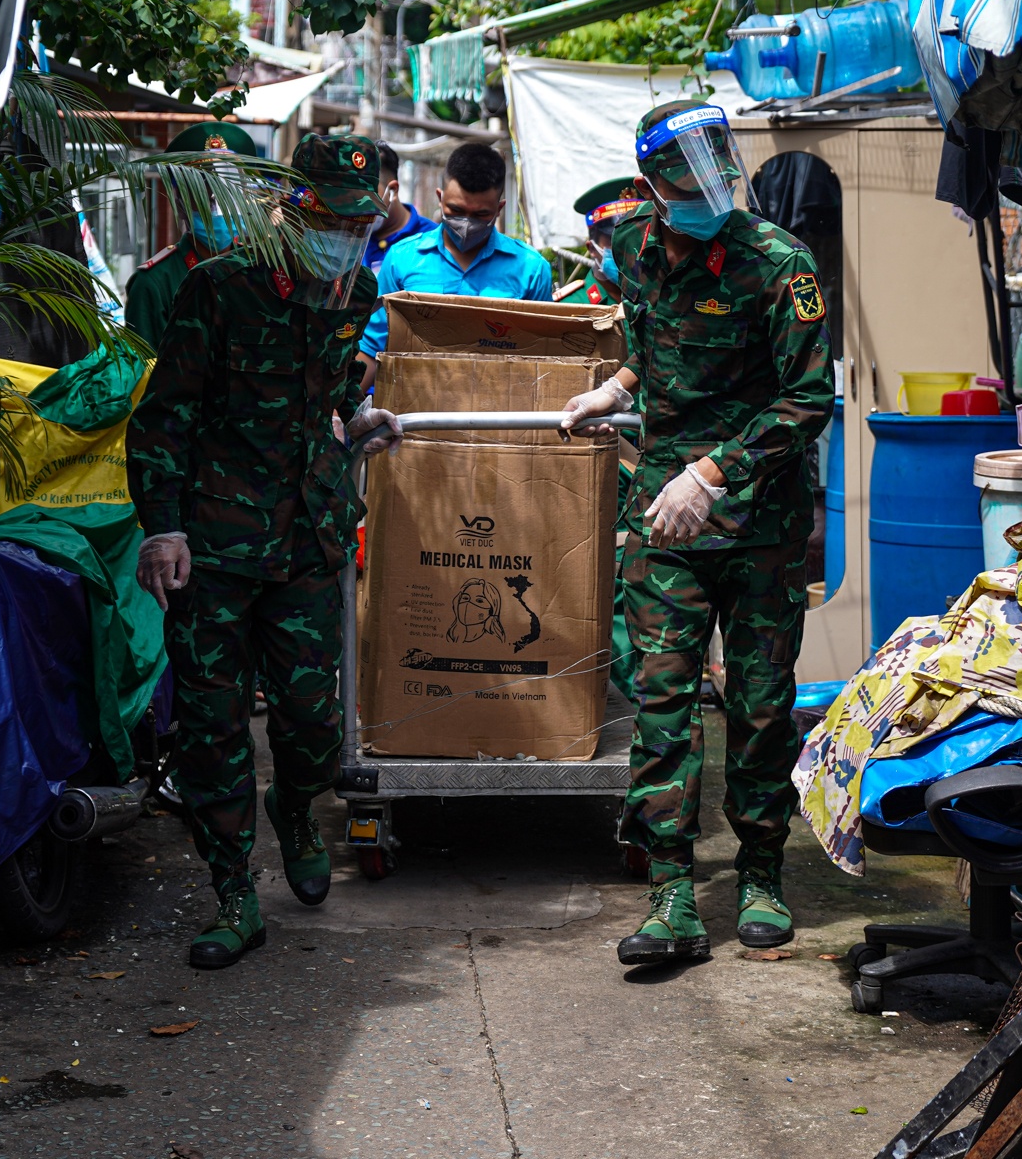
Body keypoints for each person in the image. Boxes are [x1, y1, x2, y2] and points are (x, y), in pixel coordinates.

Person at [558, 101, 833, 967]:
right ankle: (672, 891)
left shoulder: (778, 262)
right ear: (649, 187)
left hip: (758, 520)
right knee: (663, 701)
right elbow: (652, 341)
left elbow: (807, 401)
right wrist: (615, 387)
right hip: (663, 517)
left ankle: (760, 878)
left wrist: (710, 475)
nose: (710, 198)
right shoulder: (635, 246)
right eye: (688, 186)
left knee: (757, 706)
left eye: (719, 179)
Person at [127, 133, 403, 971]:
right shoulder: (219, 289)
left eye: (364, 225)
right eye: (336, 222)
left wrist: (355, 423)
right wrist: (163, 527)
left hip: (308, 540)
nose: (348, 241)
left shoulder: (354, 291)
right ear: (296, 209)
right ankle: (233, 896)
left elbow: (323, 397)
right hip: (213, 543)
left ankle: (295, 804)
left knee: (314, 724)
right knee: (212, 730)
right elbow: (163, 415)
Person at [356, 140, 553, 388]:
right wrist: (340, 413)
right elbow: (371, 348)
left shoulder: (531, 269)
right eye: (456, 210)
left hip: (499, 413)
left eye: (481, 214)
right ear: (440, 198)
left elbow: (543, 359)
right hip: (413, 413)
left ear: (499, 208)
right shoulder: (403, 259)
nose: (466, 223)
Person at [123, 122, 259, 349]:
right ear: (181, 200)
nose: (217, 207)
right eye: (205, 194)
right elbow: (144, 372)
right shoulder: (154, 284)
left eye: (228, 194)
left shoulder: (259, 270)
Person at [553, 178, 643, 306]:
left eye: (637, 237)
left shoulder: (662, 297)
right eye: (615, 240)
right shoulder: (570, 307)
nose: (629, 248)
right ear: (592, 249)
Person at [364, 139, 437, 275]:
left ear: (393, 190)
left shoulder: (432, 240)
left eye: (368, 194)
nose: (360, 205)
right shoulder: (350, 239)